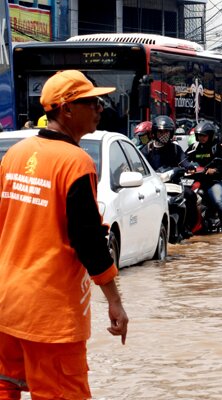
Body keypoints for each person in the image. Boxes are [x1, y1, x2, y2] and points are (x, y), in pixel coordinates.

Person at [0, 70, 128, 399]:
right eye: (93, 102)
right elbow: (89, 242)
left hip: (6, 304)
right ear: (66, 109)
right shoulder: (76, 163)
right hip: (49, 314)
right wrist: (115, 301)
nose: (101, 108)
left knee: (5, 387)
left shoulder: (14, 155)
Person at [141, 116, 195, 240]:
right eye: (160, 132)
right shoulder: (147, 149)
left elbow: (184, 162)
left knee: (190, 195)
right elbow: (140, 165)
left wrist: (188, 167)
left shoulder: (175, 149)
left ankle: (186, 227)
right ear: (154, 132)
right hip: (154, 185)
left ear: (171, 133)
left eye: (166, 132)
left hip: (173, 184)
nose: (163, 134)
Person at [186, 121, 222, 233]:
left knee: (219, 203)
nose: (201, 138)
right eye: (199, 135)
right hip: (196, 181)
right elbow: (184, 160)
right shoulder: (194, 147)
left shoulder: (217, 148)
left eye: (204, 135)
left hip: (213, 182)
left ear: (210, 135)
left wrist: (214, 170)